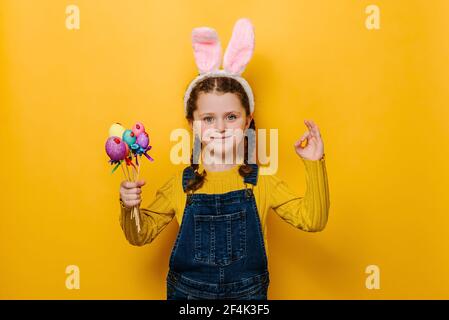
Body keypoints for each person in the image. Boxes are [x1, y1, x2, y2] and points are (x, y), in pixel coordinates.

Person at [119, 18, 330, 300]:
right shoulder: (180, 186)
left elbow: (313, 220)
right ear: (192, 124)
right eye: (208, 118)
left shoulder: (263, 182)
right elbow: (139, 236)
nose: (219, 127)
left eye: (231, 117)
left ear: (247, 121)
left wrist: (315, 163)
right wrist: (128, 206)